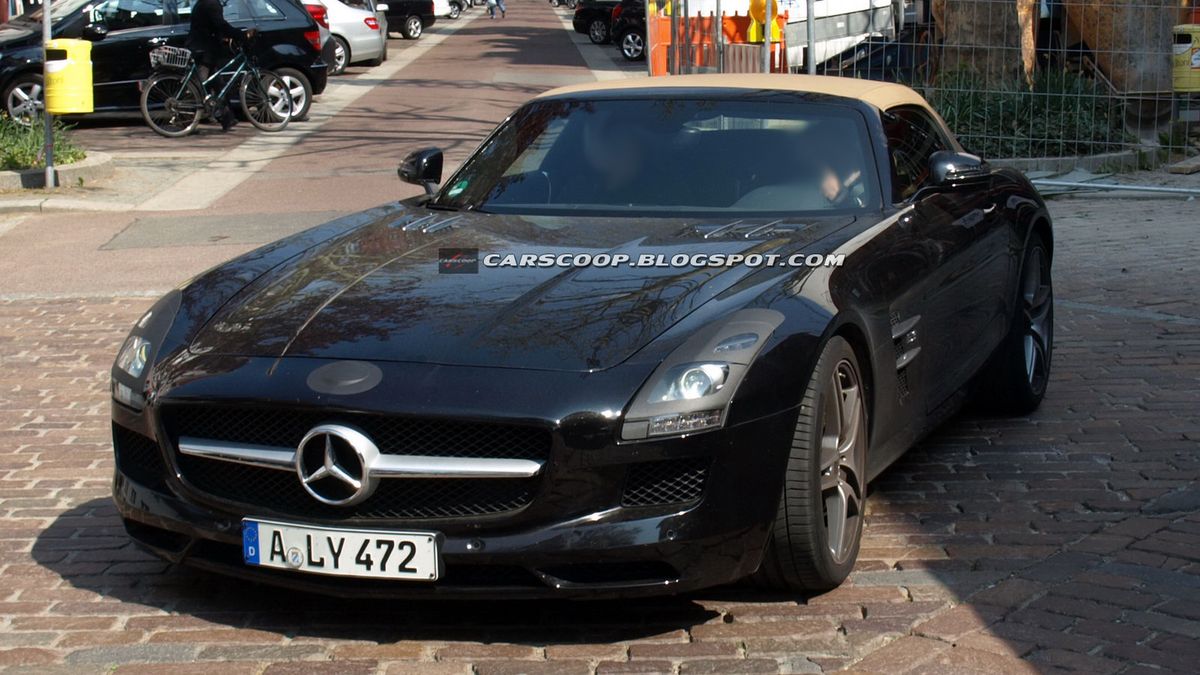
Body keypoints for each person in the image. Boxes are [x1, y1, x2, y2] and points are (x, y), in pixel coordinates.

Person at [187, 0, 251, 131]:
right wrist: (241, 35)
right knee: (198, 86)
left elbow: (211, 25)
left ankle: (227, 118)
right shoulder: (211, 4)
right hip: (203, 50)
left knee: (218, 84)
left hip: (205, 49)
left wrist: (224, 37)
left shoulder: (205, 3)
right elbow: (220, 24)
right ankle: (185, 121)